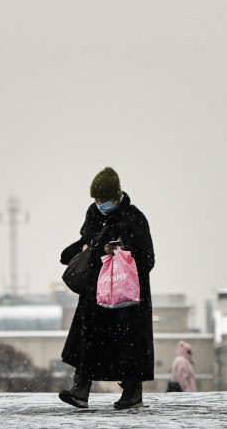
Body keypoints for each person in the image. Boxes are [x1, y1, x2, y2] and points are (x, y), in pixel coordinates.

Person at [58, 168, 156, 410]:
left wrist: (122, 251)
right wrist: (74, 251)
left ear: (117, 196)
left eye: (104, 200)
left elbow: (147, 259)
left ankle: (132, 394)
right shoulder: (93, 214)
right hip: (96, 292)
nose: (100, 204)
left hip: (126, 296)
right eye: (96, 200)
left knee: (128, 346)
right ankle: (80, 391)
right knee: (89, 341)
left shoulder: (134, 218)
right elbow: (88, 241)